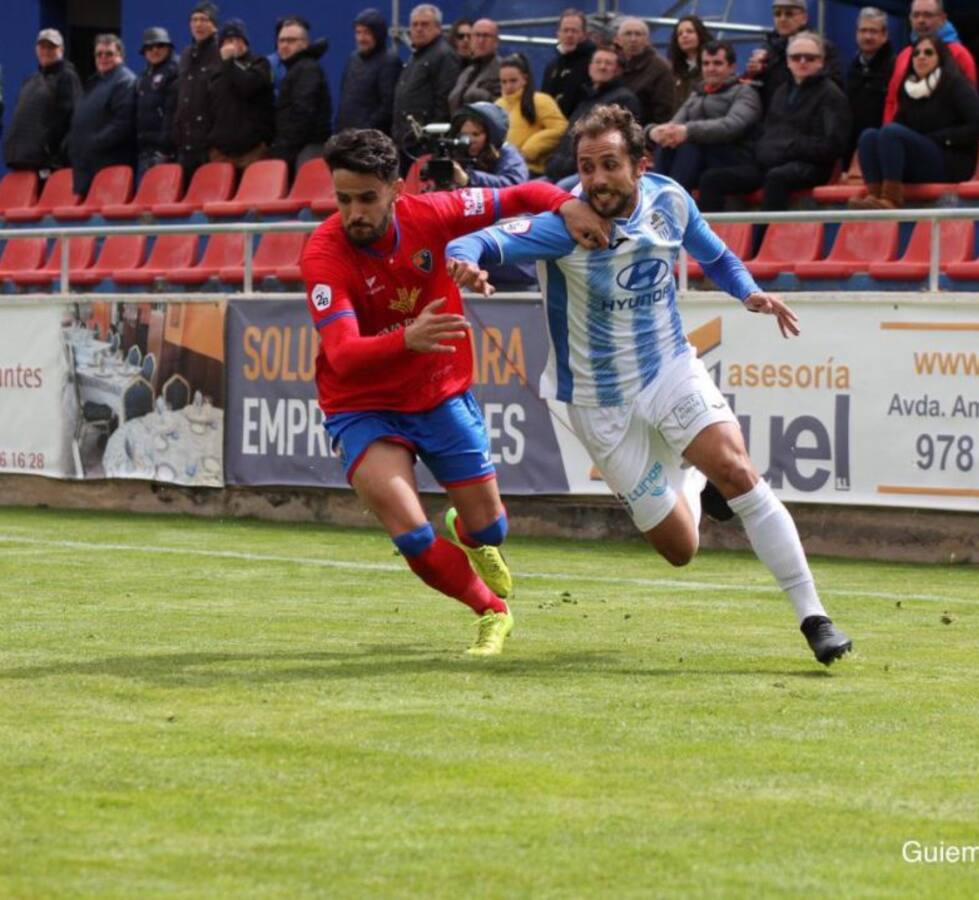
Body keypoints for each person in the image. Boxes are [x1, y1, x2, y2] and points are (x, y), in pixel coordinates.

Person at [446, 105, 854, 667]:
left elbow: (714, 254)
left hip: (667, 368)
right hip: (595, 400)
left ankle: (815, 618)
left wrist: (748, 292)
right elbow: (477, 243)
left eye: (609, 164)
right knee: (680, 549)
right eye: (586, 167)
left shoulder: (670, 201)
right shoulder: (563, 225)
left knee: (737, 469)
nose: (596, 179)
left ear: (641, 165)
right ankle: (695, 481)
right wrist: (465, 263)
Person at [299, 128, 607, 655]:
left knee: (491, 530)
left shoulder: (433, 213)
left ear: (397, 190)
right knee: (412, 535)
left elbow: (520, 194)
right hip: (362, 405)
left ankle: (469, 533)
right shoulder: (324, 254)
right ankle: (491, 611)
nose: (354, 214)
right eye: (343, 199)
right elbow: (344, 353)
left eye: (367, 198)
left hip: (439, 392)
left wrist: (566, 205)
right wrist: (407, 338)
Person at [698, 32, 850, 214]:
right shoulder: (781, 91)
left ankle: (763, 233)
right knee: (712, 179)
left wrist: (790, 147)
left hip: (811, 166)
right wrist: (769, 150)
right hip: (772, 161)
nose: (802, 62)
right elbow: (767, 132)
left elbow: (833, 145)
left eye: (810, 58)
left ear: (821, 62)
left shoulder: (831, 95)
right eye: (796, 57)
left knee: (777, 177)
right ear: (788, 61)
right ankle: (704, 232)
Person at [851, 36, 979, 209]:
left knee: (891, 132)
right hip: (920, 157)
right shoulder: (908, 89)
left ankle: (891, 198)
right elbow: (898, 127)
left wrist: (942, 138)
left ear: (941, 57)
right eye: (916, 53)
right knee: (869, 136)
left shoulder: (955, 84)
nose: (921, 57)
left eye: (928, 52)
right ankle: (874, 195)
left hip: (951, 160)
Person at [649, 41, 762, 194]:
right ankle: (656, 196)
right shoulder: (698, 93)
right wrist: (660, 132)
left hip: (734, 157)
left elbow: (732, 126)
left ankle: (674, 199)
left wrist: (688, 131)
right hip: (702, 157)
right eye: (706, 64)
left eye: (717, 63)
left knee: (688, 145)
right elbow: (675, 124)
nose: (711, 69)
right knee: (668, 145)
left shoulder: (745, 92)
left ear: (732, 67)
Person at [543, 45, 641, 184]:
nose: (602, 67)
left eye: (608, 63)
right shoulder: (586, 98)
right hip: (558, 171)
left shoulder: (624, 100)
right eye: (598, 62)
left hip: (587, 174)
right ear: (590, 67)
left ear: (618, 70)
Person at [391, 4, 461, 175]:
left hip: (424, 143)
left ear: (438, 28)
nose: (418, 29)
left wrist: (430, 138)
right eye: (415, 24)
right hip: (407, 140)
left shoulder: (444, 55)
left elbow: (445, 99)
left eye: (425, 24)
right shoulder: (417, 55)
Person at [3, 28, 81, 178]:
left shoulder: (67, 77)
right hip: (21, 160)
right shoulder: (31, 80)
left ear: (62, 50)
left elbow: (74, 120)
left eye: (51, 47)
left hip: (47, 165)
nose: (46, 51)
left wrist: (57, 157)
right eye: (42, 46)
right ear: (36, 49)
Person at [883, 0, 977, 122]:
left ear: (942, 19)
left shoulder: (960, 55)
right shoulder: (904, 55)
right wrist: (888, 128)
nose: (921, 20)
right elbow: (892, 100)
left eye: (928, 15)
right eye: (916, 15)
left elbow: (971, 105)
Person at [69, 35, 137, 196]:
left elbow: (122, 123)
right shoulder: (95, 82)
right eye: (99, 54)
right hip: (88, 167)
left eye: (109, 54)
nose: (103, 58)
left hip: (110, 167)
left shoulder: (124, 81)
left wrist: (93, 143)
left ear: (121, 56)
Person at [205, 18, 274, 171]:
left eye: (238, 39)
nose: (234, 44)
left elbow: (247, 86)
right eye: (229, 40)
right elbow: (208, 106)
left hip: (253, 150)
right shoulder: (214, 70)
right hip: (220, 152)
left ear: (246, 42)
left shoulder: (260, 63)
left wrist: (229, 62)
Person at [271, 17, 333, 174]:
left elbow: (303, 114)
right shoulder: (296, 68)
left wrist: (285, 148)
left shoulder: (307, 69)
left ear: (305, 43)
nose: (284, 45)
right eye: (281, 41)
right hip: (296, 148)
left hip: (306, 149)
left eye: (291, 40)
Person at [761, 0, 843, 111]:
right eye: (777, 14)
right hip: (774, 114)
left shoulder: (823, 48)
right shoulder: (767, 48)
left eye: (789, 14)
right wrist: (754, 73)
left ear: (804, 18)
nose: (782, 19)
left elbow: (833, 89)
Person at [495, 55, 567, 176]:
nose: (508, 86)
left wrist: (530, 149)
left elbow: (560, 128)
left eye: (513, 81)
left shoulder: (540, 100)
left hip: (530, 169)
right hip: (501, 167)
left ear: (525, 79)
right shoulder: (498, 105)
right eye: (503, 82)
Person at [174, 1, 222, 183]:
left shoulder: (220, 52)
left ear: (214, 25)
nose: (198, 24)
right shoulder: (186, 54)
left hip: (209, 144)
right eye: (194, 20)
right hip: (185, 144)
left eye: (203, 19)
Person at [335, 8, 402, 135]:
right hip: (345, 134)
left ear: (378, 35)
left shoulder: (389, 62)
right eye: (358, 32)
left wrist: (365, 130)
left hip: (370, 137)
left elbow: (388, 106)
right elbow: (345, 98)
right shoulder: (353, 59)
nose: (361, 38)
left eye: (366, 33)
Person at [846, 7, 895, 165]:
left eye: (873, 31)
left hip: (882, 148)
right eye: (863, 31)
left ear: (884, 35)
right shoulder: (852, 68)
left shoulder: (895, 66)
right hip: (853, 149)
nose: (867, 36)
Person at [441, 101, 528, 188]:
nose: (469, 140)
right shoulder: (458, 154)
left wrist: (469, 179)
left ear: (491, 136)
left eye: (476, 134)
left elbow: (514, 184)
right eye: (464, 135)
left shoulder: (507, 154)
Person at [135, 27, 180, 180]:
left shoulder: (176, 70)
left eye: (160, 45)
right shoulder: (143, 77)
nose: (155, 50)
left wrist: (165, 147)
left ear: (168, 47)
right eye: (149, 47)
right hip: (145, 151)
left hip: (166, 153)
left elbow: (173, 111)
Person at [616, 16, 673, 126]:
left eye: (638, 34)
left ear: (647, 40)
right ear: (618, 40)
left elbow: (664, 110)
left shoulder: (660, 68)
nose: (633, 39)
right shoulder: (612, 63)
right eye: (628, 34)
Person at [542, 9, 594, 120]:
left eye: (574, 31)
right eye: (565, 30)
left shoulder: (593, 64)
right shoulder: (552, 66)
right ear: (558, 34)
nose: (569, 35)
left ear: (584, 34)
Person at [448, 18, 501, 113]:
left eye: (486, 36)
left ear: (496, 41)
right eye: (477, 35)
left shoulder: (501, 70)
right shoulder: (466, 73)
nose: (481, 40)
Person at [668, 15, 713, 113]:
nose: (684, 36)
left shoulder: (712, 66)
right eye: (680, 34)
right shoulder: (673, 70)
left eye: (690, 31)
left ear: (700, 34)